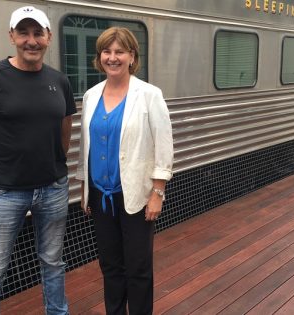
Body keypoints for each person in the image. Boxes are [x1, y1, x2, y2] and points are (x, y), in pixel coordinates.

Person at [0, 6, 75, 315]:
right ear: (12, 36)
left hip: (53, 189)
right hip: (4, 193)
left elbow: (64, 133)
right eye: (23, 32)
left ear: (48, 37)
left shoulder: (59, 81)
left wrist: (55, 168)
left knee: (53, 262)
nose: (31, 41)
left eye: (38, 33)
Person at [75, 27, 174, 315]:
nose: (113, 57)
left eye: (120, 51)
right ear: (99, 57)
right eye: (107, 51)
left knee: (138, 268)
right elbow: (87, 146)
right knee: (110, 267)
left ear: (132, 56)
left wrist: (157, 193)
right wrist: (84, 190)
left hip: (135, 196)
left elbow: (163, 145)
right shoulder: (91, 95)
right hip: (100, 197)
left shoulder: (149, 95)